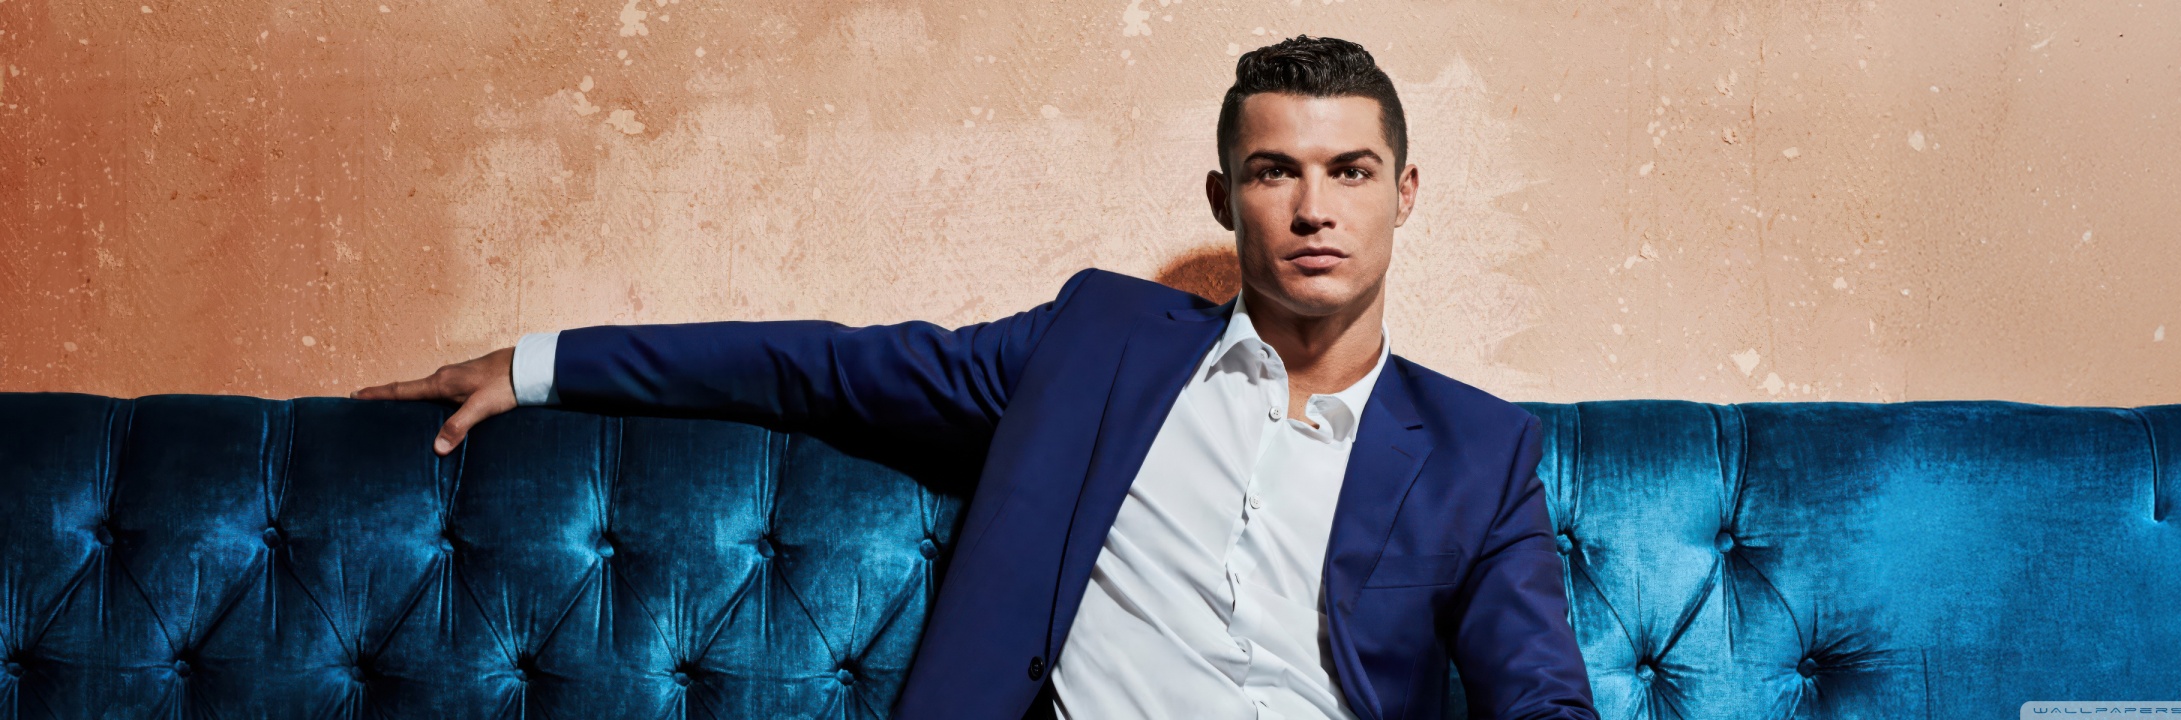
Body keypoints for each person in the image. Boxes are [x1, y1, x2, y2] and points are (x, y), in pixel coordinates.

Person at [356, 35, 1596, 720]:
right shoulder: (1098, 343)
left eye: (1351, 172)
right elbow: (822, 370)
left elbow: (1541, 696)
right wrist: (541, 366)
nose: (1315, 209)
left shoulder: (1481, 451)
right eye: (1277, 172)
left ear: (1404, 193)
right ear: (1227, 199)